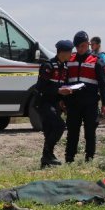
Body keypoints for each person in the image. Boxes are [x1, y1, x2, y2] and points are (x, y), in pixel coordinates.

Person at [65, 31, 105, 163]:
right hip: (73, 103)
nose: (80, 49)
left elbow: (103, 85)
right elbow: (65, 81)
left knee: (90, 132)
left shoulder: (97, 61)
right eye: (78, 46)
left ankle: (89, 159)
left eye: (83, 46)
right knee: (72, 132)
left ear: (88, 44)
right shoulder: (70, 60)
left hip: (90, 103)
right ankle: (69, 158)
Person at [35, 40, 73, 168]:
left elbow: (61, 85)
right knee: (59, 126)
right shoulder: (48, 66)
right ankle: (47, 155)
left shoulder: (65, 67)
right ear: (62, 52)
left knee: (49, 131)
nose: (71, 54)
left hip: (55, 103)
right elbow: (40, 87)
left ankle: (46, 160)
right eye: (69, 52)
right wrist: (58, 91)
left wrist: (62, 99)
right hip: (43, 102)